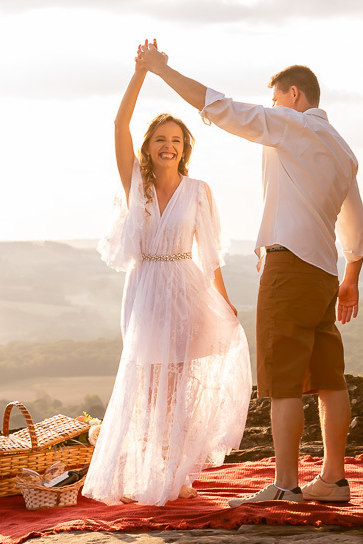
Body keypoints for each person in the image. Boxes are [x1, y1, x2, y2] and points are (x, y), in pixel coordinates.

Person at [136, 41, 363, 506]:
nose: (273, 108)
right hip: (325, 272)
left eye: (277, 99)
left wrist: (162, 70)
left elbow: (220, 107)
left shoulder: (291, 124)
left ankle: (285, 486)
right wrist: (350, 278)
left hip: (289, 267)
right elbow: (356, 226)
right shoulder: (343, 150)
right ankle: (334, 481)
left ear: (295, 95)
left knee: (282, 378)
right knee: (329, 378)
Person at [81, 42, 252, 506]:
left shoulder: (200, 192)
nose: (168, 145)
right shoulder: (136, 185)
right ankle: (149, 465)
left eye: (176, 140)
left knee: (177, 383)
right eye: (161, 139)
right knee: (148, 381)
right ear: (149, 148)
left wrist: (225, 299)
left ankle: (174, 469)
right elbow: (119, 124)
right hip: (145, 290)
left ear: (185, 148)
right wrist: (142, 73)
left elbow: (211, 255)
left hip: (186, 288)